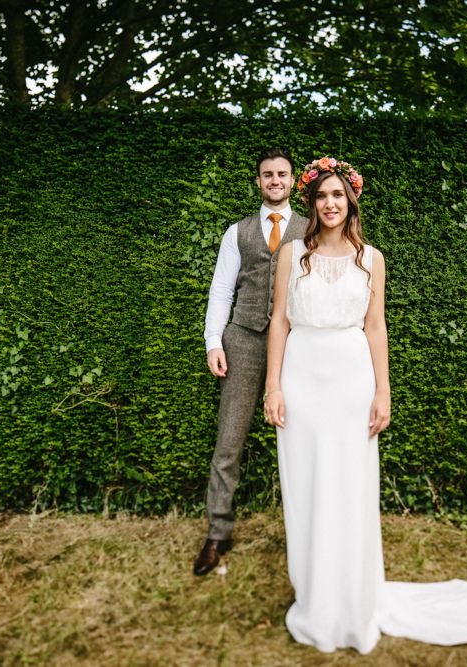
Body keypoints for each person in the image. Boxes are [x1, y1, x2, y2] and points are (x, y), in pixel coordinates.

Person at [263, 156, 467, 653]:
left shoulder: (372, 258)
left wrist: (383, 390)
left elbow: (375, 326)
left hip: (351, 380)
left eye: (338, 195)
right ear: (311, 203)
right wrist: (273, 387)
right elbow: (278, 322)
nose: (330, 203)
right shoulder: (291, 254)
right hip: (302, 379)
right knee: (307, 485)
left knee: (351, 487)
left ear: (350, 200)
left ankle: (354, 598)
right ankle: (317, 596)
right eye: (322, 196)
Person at [194, 148, 309, 576]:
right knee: (229, 440)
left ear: (293, 181)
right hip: (241, 339)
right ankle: (217, 533)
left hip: (296, 343)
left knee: (302, 435)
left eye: (282, 174)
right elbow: (221, 290)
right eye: (267, 175)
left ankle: (306, 530)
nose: (275, 180)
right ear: (258, 182)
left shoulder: (311, 227)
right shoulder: (237, 232)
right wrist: (213, 342)